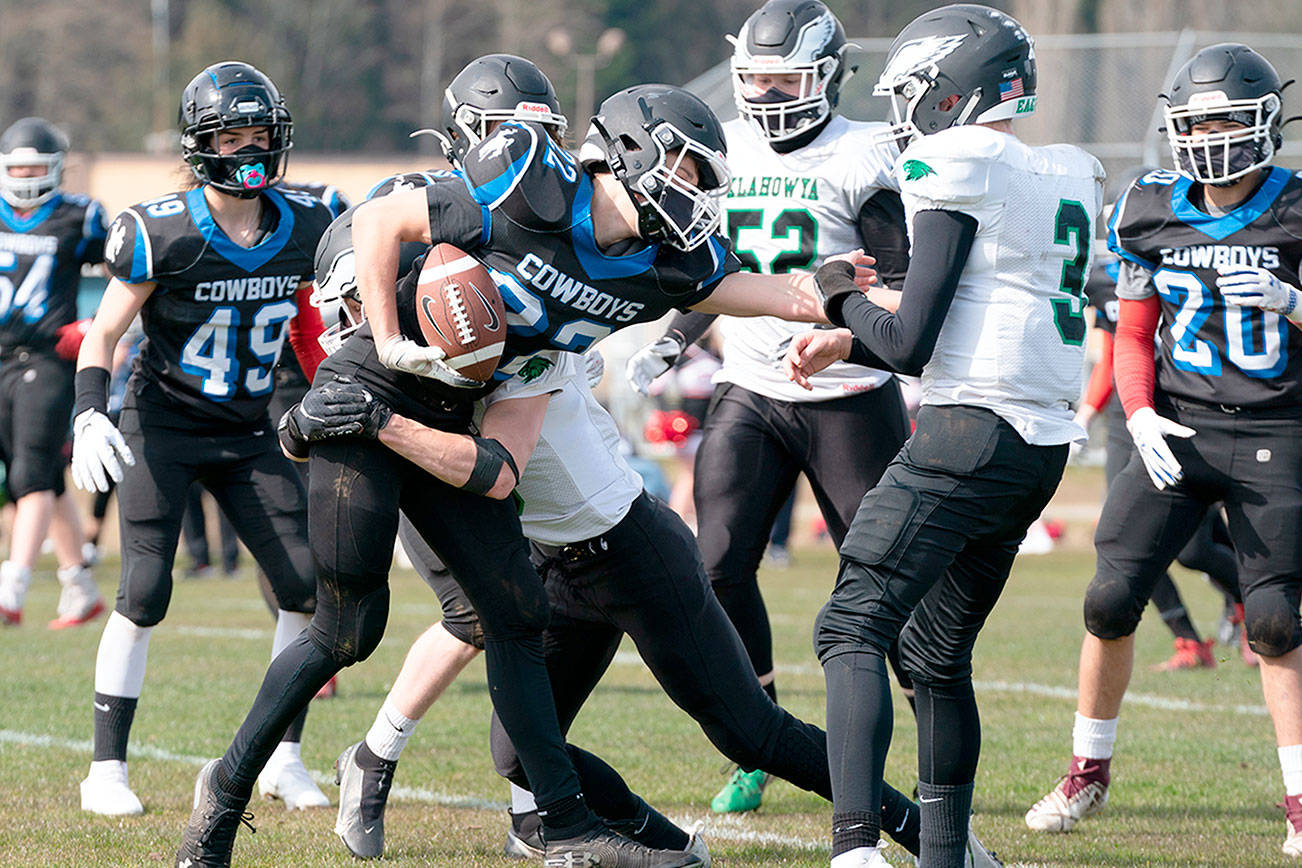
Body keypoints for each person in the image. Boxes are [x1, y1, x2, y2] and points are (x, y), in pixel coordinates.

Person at [175, 78, 877, 868]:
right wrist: (382, 343)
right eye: (684, 170)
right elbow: (376, 224)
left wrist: (840, 295)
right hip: (373, 386)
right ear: (633, 154)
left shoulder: (647, 269)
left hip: (453, 412)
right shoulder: (526, 183)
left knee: (515, 613)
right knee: (348, 630)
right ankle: (223, 800)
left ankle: (565, 828)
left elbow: (770, 293)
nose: (695, 194)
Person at [298, 195, 970, 867]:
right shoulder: (438, 374)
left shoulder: (523, 347)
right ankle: (672, 847)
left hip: (632, 554)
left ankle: (925, 833)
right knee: (517, 754)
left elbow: (492, 471)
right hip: (555, 572)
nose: (358, 326)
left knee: (752, 734)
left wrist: (373, 421)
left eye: (365, 305)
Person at [784, 6, 1103, 866]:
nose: (905, 114)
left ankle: (855, 850)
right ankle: (948, 852)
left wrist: (835, 295)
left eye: (916, 93)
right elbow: (985, 303)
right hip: (1035, 448)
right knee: (933, 652)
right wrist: (852, 331)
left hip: (967, 432)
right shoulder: (1070, 170)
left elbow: (913, 343)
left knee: (851, 627)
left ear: (955, 92)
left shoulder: (954, 161)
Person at [625, 0, 913, 814]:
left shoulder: (863, 153)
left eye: (784, 76)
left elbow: (898, 277)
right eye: (756, 77)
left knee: (887, 580)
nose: (769, 92)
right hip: (751, 386)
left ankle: (936, 752)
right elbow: (717, 267)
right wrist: (675, 338)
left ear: (827, 74)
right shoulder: (724, 148)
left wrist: (853, 339)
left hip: (848, 394)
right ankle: (759, 736)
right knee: (714, 563)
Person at [1024, 43, 1302, 859]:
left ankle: (1299, 800)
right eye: (1196, 122)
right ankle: (1088, 772)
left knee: (1279, 621)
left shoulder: (1296, 210)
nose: (1210, 137)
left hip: (1276, 428)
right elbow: (1134, 334)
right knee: (1109, 600)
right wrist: (1139, 414)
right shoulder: (1149, 206)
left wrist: (1294, 302)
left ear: (1265, 125)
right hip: (1175, 423)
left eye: (1225, 120)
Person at [71, 61, 333, 817]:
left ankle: (284, 758)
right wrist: (91, 411)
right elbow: (106, 331)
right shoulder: (163, 229)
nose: (250, 149)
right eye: (233, 135)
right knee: (144, 591)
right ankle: (106, 771)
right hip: (165, 425)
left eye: (261, 134)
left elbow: (321, 322)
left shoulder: (309, 225)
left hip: (252, 427)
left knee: (305, 586)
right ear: (200, 145)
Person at [1077, 236, 1247, 671]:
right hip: (1127, 418)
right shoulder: (1100, 280)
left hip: (1180, 406)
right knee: (1119, 542)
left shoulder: (1189, 257)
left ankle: (1257, 607)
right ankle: (1189, 641)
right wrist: (1086, 414)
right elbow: (1113, 353)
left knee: (1193, 548)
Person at [0, 116, 107, 629]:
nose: (25, 174)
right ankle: (79, 587)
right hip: (1, 357)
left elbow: (128, 269)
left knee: (29, 471)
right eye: (17, 165)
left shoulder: (79, 216)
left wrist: (98, 324)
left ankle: (11, 587)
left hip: (48, 356)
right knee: (44, 477)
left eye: (34, 166)